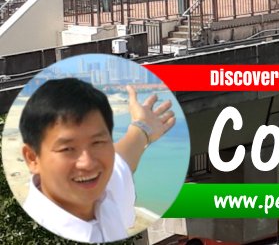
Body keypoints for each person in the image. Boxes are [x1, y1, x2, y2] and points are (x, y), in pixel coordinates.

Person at [18, 77, 176, 243]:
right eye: (67, 149)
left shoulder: (104, 193)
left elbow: (122, 161)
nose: (88, 163)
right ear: (32, 158)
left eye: (97, 142)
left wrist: (143, 127)